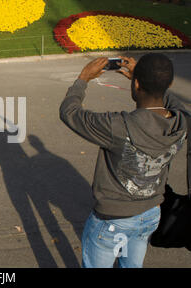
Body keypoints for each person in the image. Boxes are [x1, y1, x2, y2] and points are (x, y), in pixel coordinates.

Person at [59, 53, 189, 268]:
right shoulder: (182, 122)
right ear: (169, 84)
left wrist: (83, 78)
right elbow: (178, 107)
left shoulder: (118, 126)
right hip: (150, 214)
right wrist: (152, 83)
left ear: (136, 84)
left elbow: (69, 112)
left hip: (112, 220)